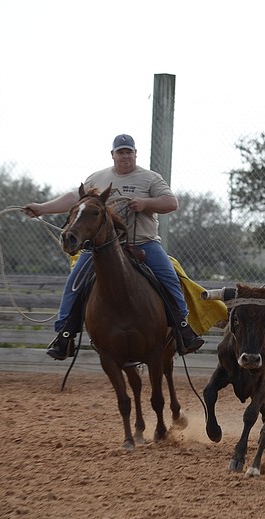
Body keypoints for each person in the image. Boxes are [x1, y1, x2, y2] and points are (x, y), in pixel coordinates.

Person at [22, 133, 204, 360]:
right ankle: (65, 334)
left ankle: (183, 328)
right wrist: (41, 208)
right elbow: (74, 201)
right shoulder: (97, 178)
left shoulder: (150, 179)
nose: (125, 155)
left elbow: (171, 203)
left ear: (135, 154)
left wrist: (146, 203)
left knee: (169, 278)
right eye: (121, 152)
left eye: (129, 151)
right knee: (75, 283)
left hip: (144, 243)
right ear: (113, 155)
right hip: (101, 247)